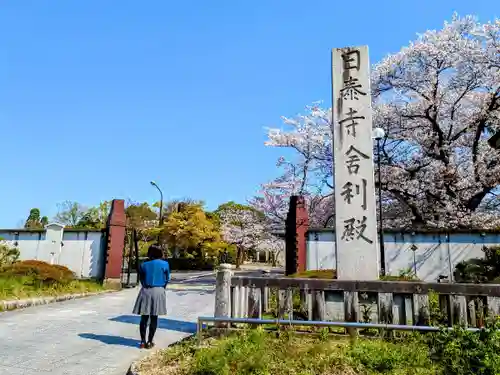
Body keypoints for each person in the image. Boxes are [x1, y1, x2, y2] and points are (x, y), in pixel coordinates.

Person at [132, 244, 170, 349]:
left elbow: (142, 279)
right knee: (154, 317)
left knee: (144, 317)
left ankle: (142, 341)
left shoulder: (144, 265)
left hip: (146, 290)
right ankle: (150, 341)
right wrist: (162, 288)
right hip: (159, 290)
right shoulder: (165, 264)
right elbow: (167, 279)